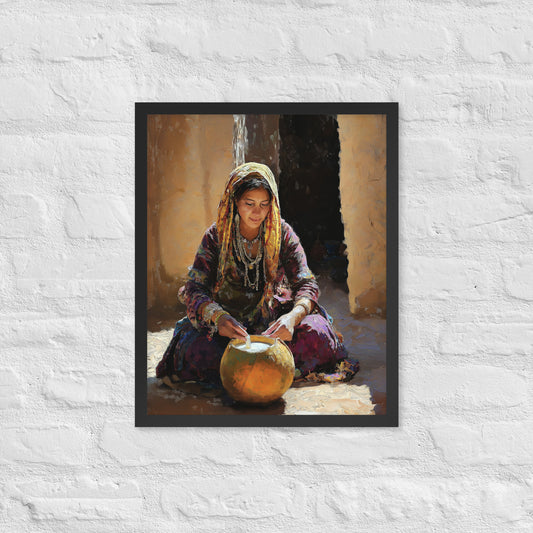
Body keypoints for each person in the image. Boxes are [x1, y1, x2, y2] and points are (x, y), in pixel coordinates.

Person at [156, 162, 356, 385]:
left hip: (273, 322)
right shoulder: (217, 236)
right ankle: (262, 369)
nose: (257, 212)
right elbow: (195, 288)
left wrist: (291, 318)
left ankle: (258, 370)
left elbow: (306, 283)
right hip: (229, 326)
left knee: (318, 335)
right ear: (235, 202)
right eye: (249, 203)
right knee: (197, 351)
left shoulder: (282, 233)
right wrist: (218, 317)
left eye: (264, 204)